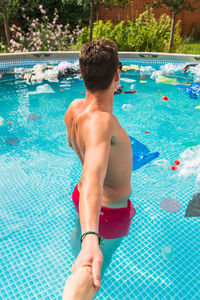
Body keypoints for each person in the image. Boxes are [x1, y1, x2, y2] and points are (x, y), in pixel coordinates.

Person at [63, 38, 136, 298]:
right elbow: (94, 174)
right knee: (92, 270)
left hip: (81, 198)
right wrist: (92, 237)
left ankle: (82, 246)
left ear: (82, 74)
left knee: (82, 253)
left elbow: (83, 156)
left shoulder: (74, 110)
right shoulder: (102, 122)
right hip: (108, 214)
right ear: (117, 75)